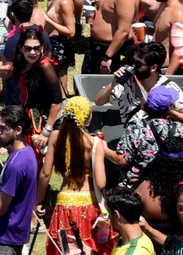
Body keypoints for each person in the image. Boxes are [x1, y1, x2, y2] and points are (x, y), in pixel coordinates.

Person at [36, 97, 108, 255]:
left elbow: (45, 174)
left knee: (65, 250)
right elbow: (101, 183)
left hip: (64, 204)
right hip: (89, 204)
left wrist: (39, 201)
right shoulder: (95, 143)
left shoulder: (55, 136)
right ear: (87, 118)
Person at [95, 41, 183, 127]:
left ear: (153, 68)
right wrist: (114, 82)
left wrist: (168, 112)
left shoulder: (168, 87)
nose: (133, 66)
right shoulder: (126, 81)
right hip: (132, 140)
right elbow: (98, 101)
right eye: (132, 61)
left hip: (157, 142)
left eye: (138, 64)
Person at [0, 105, 38, 255]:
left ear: (18, 130)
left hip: (5, 236)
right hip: (16, 233)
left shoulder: (16, 165)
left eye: (3, 128)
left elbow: (1, 207)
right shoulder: (28, 153)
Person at [105, 188, 155, 255]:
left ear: (117, 215)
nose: (108, 218)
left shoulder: (135, 252)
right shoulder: (126, 240)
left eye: (109, 213)